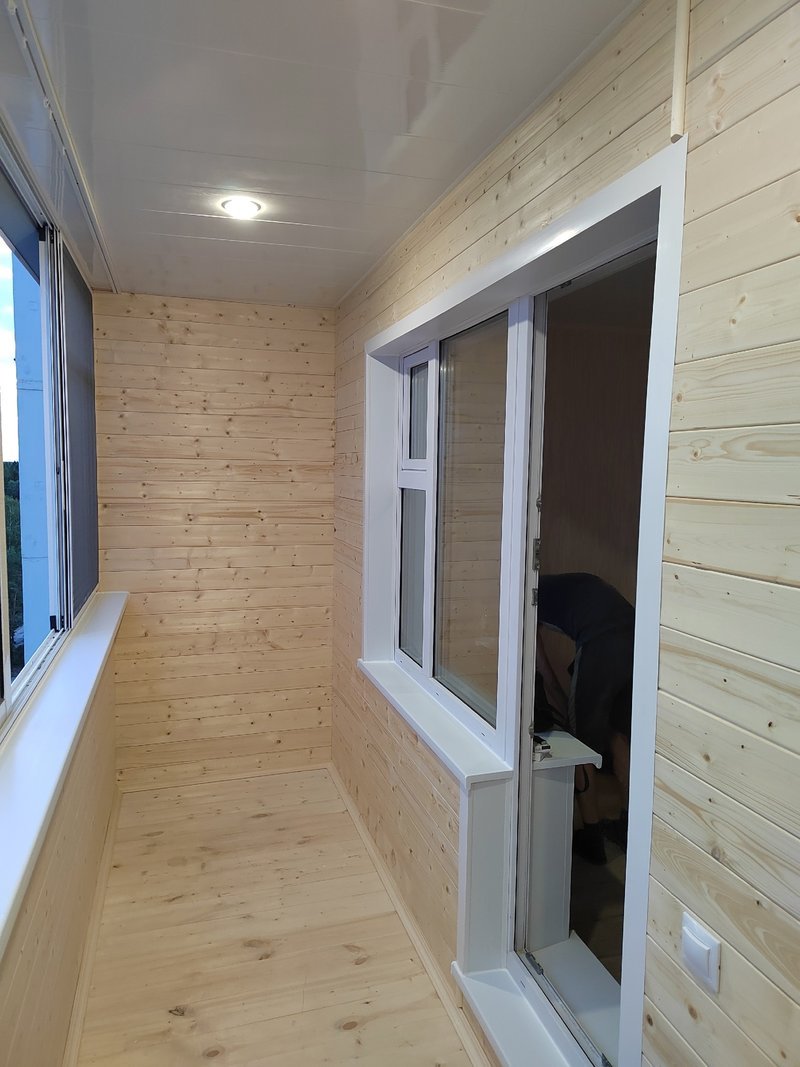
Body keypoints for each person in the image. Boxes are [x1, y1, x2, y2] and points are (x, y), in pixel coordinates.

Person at [535, 572, 633, 865]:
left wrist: (567, 712)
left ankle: (591, 837)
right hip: (635, 636)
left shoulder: (526, 597)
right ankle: (628, 826)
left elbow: (544, 672)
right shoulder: (556, 586)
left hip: (601, 641)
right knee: (618, 733)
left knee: (581, 744)